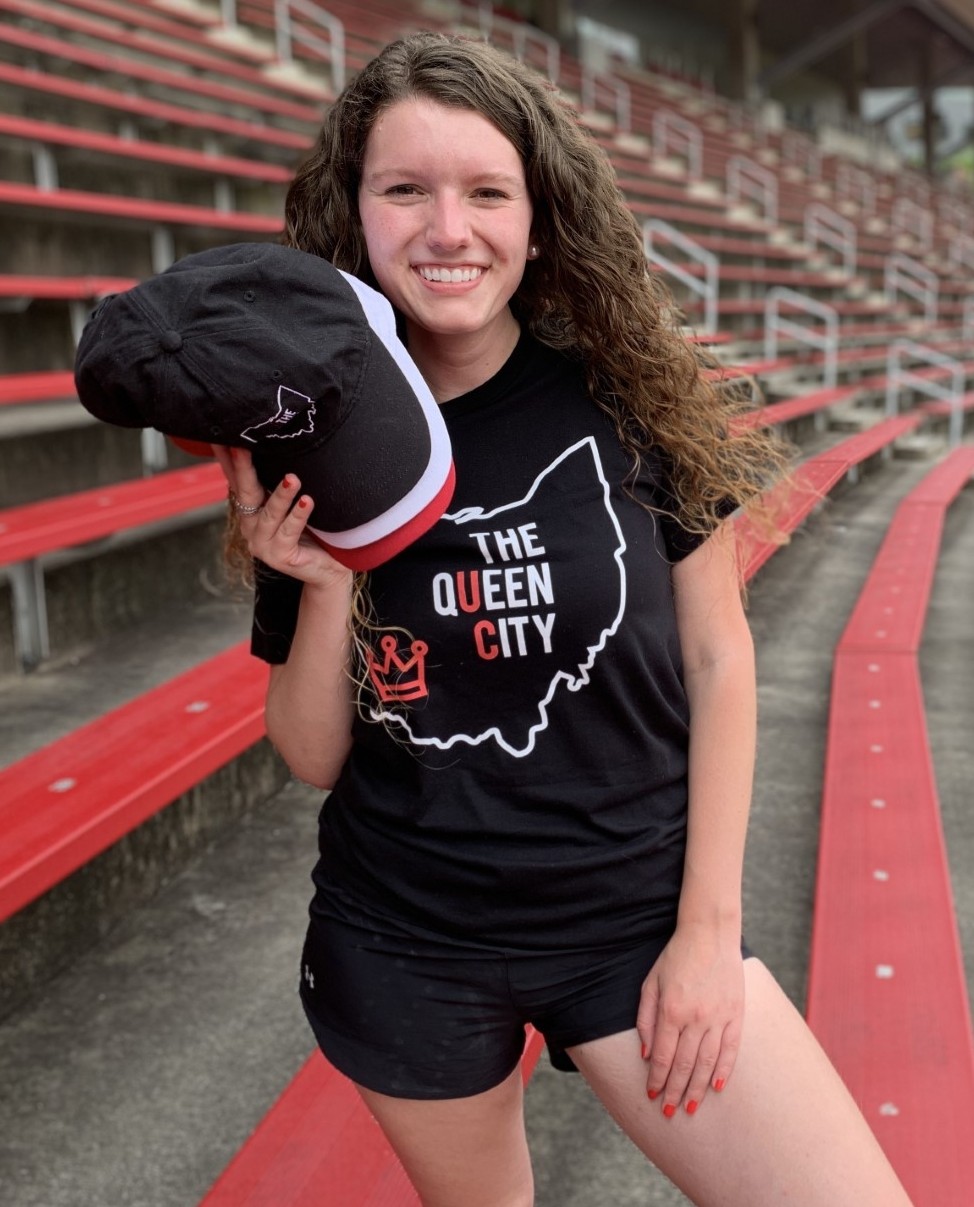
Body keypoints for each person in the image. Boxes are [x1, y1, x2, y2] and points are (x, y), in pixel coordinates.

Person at [216, 30, 914, 1207]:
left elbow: (717, 656)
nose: (448, 229)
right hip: (408, 939)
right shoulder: (313, 438)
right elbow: (312, 753)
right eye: (405, 190)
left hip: (635, 913)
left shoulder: (629, 394)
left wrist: (706, 933)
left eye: (486, 191)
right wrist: (327, 580)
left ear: (537, 218)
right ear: (357, 214)